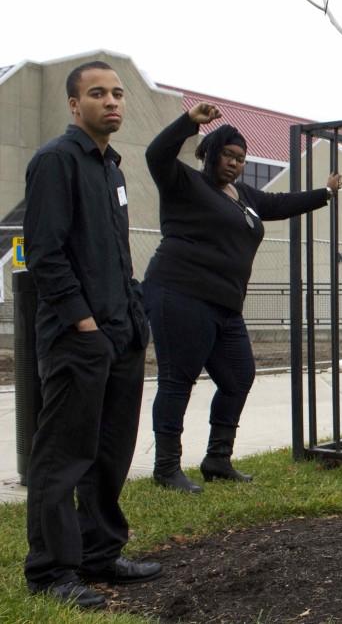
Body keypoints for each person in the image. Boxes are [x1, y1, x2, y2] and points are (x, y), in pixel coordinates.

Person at [144, 103, 341, 493]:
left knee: (238, 376)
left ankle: (217, 458)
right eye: (228, 156)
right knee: (177, 380)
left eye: (241, 158)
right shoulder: (184, 183)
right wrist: (187, 123)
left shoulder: (244, 195)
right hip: (180, 293)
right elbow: (156, 154)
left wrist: (325, 193)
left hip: (225, 305)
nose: (234, 164)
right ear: (211, 153)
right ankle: (166, 467)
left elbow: (280, 204)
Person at [23, 61, 161, 609]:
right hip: (77, 338)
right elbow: (46, 253)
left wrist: (132, 317)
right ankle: (52, 572)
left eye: (118, 93)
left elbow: (117, 254)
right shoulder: (56, 161)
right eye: (97, 93)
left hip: (121, 332)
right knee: (64, 456)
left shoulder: (113, 171)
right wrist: (83, 322)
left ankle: (101, 552)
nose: (112, 102)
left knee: (109, 453)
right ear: (73, 105)